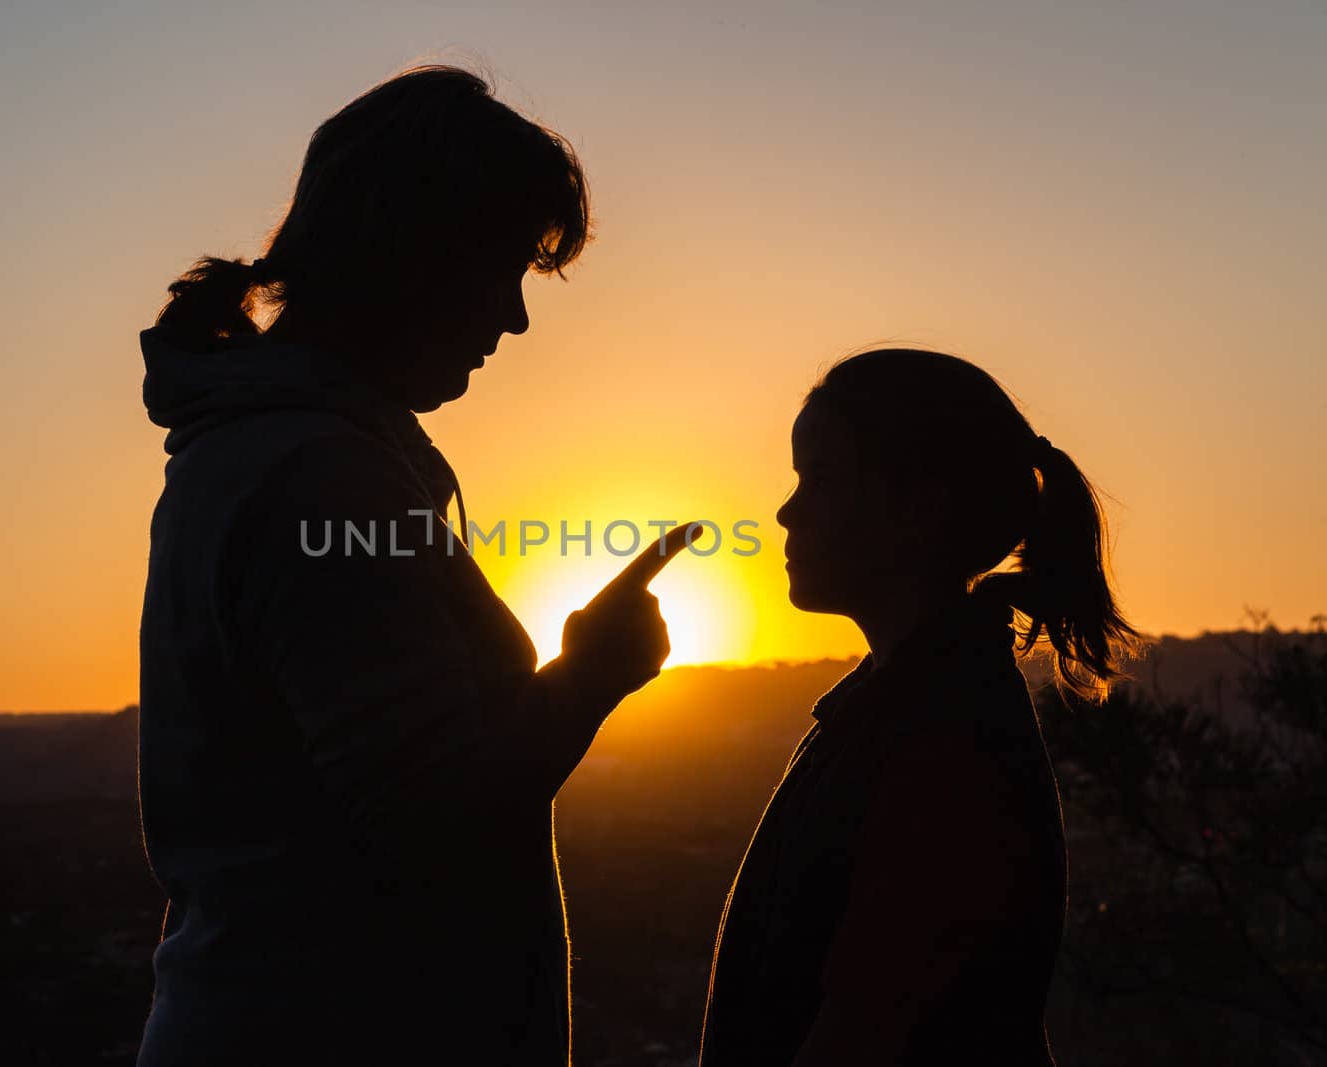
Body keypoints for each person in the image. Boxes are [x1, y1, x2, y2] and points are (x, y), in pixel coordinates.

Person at [134, 65, 696, 1066]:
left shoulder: (279, 451)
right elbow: (436, 817)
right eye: (501, 268)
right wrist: (590, 674)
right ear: (407, 252)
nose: (514, 319)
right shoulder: (318, 472)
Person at [699, 348, 1144, 1066]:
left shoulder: (945, 748)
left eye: (820, 479)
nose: (786, 510)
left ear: (918, 510)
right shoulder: (898, 708)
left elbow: (863, 1034)